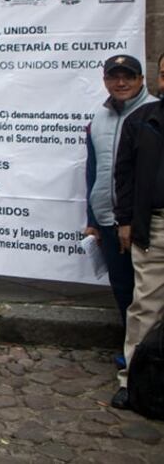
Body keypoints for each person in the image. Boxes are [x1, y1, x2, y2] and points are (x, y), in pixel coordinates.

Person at [85, 55, 155, 367]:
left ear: (142, 79)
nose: (121, 82)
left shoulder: (153, 112)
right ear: (105, 81)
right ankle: (132, 350)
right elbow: (93, 170)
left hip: (144, 220)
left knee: (148, 295)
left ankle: (146, 358)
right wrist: (92, 219)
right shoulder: (99, 118)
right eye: (114, 77)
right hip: (107, 217)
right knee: (123, 287)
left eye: (129, 76)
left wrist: (132, 218)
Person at [111, 52, 164, 410]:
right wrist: (126, 221)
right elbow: (124, 176)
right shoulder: (143, 121)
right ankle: (133, 381)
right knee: (146, 306)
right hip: (156, 225)